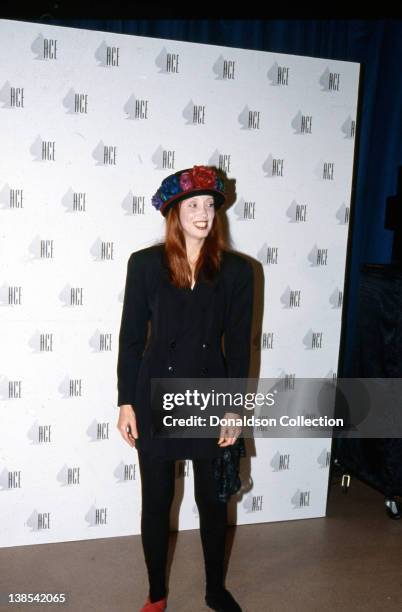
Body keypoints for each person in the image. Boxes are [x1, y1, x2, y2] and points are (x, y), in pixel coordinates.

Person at [116, 165, 254, 612]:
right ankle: (156, 594)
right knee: (156, 502)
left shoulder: (237, 271)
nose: (203, 213)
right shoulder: (144, 264)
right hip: (155, 395)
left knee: (212, 503)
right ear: (173, 213)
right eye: (192, 205)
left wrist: (235, 409)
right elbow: (132, 338)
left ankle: (216, 589)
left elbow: (238, 343)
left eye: (210, 205)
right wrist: (125, 401)